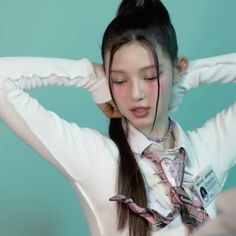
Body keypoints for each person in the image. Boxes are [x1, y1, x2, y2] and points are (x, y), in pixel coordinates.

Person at [0, 0, 235, 236]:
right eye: (119, 80)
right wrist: (92, 78)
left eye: (151, 76)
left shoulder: (209, 147)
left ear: (177, 69)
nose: (136, 94)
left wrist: (185, 79)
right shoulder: (95, 157)